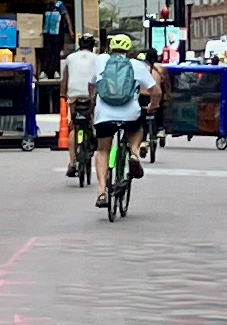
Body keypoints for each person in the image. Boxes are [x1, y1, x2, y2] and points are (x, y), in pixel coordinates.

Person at [92, 34, 157, 207]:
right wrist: (152, 105)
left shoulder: (101, 61)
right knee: (137, 130)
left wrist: (93, 102)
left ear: (110, 48)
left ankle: (101, 192)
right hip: (129, 114)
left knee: (103, 150)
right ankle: (134, 153)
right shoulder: (137, 65)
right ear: (129, 50)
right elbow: (155, 90)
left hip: (104, 115)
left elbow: (93, 85)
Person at [60, 33, 103, 168]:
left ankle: (72, 162)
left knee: (73, 126)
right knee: (94, 121)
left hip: (74, 96)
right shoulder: (98, 59)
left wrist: (63, 95)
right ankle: (94, 137)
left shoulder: (70, 58)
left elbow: (65, 79)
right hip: (91, 95)